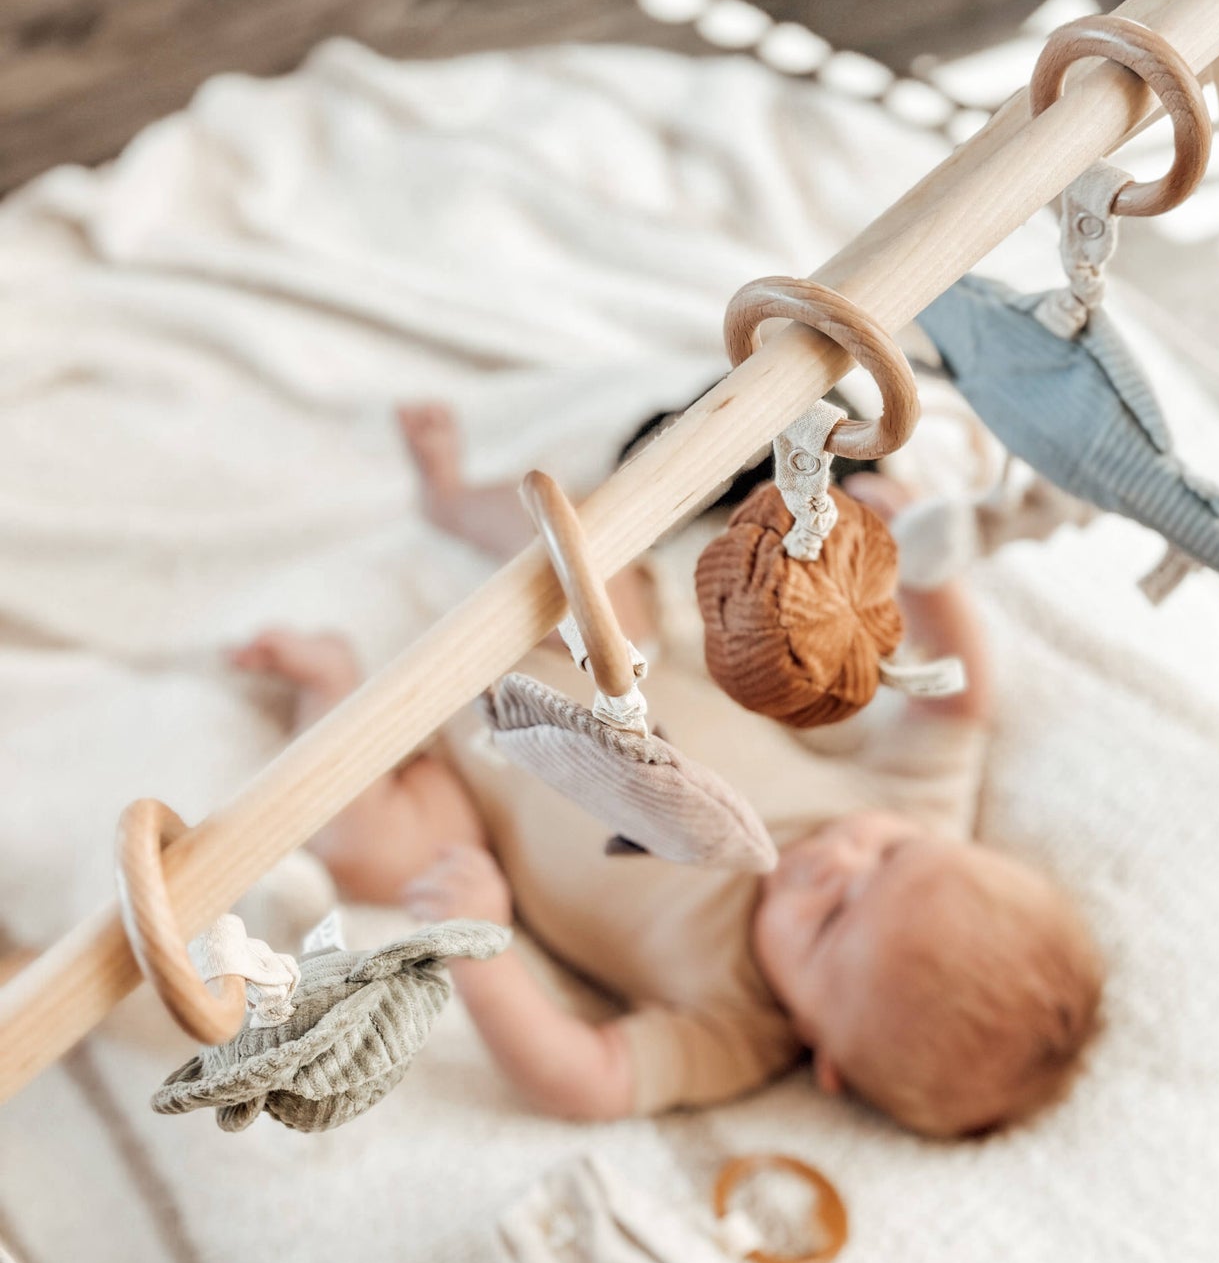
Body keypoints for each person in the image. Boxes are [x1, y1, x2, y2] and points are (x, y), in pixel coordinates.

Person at [232, 403, 1103, 1137]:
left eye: (831, 919)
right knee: (589, 554)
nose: (836, 862)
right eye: (889, 855)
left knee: (361, 845)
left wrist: (482, 949)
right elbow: (956, 705)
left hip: (475, 801)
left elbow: (588, 1076)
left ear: (824, 1054)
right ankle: (455, 496)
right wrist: (922, 572)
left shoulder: (738, 1033)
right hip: (615, 662)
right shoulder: (924, 813)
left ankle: (332, 678)